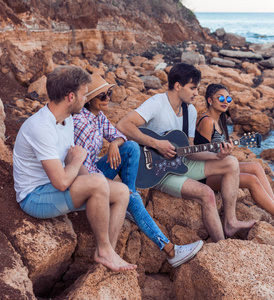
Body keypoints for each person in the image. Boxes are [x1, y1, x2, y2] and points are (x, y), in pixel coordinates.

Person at [13, 66, 137, 272]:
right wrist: (79, 161)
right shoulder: (41, 127)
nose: (85, 98)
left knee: (121, 191)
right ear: (71, 96)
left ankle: (108, 252)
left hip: (57, 186)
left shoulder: (66, 119)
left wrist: (94, 184)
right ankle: (104, 251)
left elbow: (74, 172)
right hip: (34, 197)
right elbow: (61, 181)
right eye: (84, 94)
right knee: (98, 183)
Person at [73, 74, 203, 268]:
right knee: (131, 197)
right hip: (84, 178)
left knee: (132, 147)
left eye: (109, 93)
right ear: (88, 100)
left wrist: (114, 145)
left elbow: (118, 134)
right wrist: (106, 185)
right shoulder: (81, 123)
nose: (108, 98)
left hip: (94, 169)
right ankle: (169, 249)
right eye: (102, 96)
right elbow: (80, 166)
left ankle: (130, 194)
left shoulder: (98, 117)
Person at [116, 63, 257, 242]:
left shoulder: (189, 110)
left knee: (231, 162)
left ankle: (230, 221)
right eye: (192, 88)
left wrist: (217, 156)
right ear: (177, 86)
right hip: (155, 170)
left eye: (197, 88)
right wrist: (157, 144)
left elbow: (190, 150)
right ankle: (222, 244)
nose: (196, 93)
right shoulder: (156, 103)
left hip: (181, 161)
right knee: (206, 193)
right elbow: (123, 125)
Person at [194, 83, 274, 234]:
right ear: (210, 100)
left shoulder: (220, 119)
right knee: (251, 180)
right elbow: (203, 156)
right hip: (203, 174)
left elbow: (217, 152)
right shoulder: (207, 121)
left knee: (256, 167)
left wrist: (226, 152)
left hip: (217, 167)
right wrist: (222, 155)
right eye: (221, 98)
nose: (225, 101)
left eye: (228, 98)